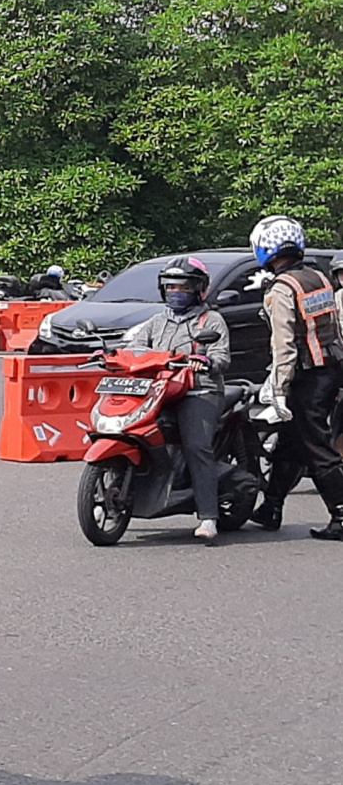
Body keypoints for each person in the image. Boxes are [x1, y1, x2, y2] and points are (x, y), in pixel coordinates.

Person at [120, 257, 231, 541]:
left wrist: (204, 360)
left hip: (200, 390)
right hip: (160, 390)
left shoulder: (211, 320)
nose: (176, 292)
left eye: (183, 287)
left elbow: (221, 356)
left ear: (198, 289)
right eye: (170, 287)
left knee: (196, 447)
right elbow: (134, 348)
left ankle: (208, 516)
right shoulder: (156, 322)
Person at [249, 215, 343, 538]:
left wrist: (278, 387)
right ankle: (271, 506)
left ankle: (341, 515)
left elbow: (284, 346)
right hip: (331, 368)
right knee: (290, 442)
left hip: (307, 377)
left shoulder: (282, 289)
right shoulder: (319, 277)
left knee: (316, 445)